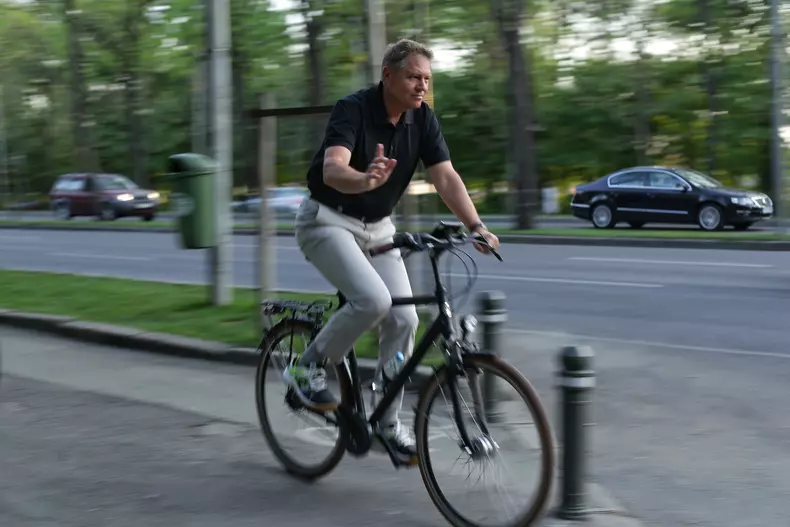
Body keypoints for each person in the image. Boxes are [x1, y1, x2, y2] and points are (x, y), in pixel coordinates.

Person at [283, 38, 500, 464]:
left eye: (427, 79)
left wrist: (475, 225)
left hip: (378, 227)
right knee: (374, 301)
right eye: (413, 77)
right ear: (388, 75)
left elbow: (446, 177)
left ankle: (388, 421)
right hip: (327, 220)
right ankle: (305, 368)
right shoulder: (354, 108)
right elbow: (332, 169)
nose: (422, 86)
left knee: (405, 316)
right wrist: (364, 180)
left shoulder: (423, 120)